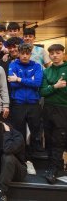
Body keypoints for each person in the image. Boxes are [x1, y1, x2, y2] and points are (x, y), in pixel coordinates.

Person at [8, 43, 43, 155]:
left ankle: (33, 156)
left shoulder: (37, 66)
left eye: (27, 54)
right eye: (22, 53)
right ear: (18, 53)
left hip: (33, 103)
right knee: (19, 131)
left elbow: (37, 83)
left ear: (30, 54)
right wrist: (29, 80)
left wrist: (18, 79)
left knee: (35, 129)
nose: (24, 56)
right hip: (18, 103)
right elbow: (12, 85)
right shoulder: (13, 65)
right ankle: (21, 155)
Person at [39, 44, 67, 184]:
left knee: (59, 139)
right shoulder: (46, 71)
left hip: (63, 109)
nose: (55, 55)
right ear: (49, 55)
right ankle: (52, 166)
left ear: (63, 53)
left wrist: (51, 88)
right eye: (52, 53)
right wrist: (55, 86)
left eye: (58, 52)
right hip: (48, 108)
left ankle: (53, 170)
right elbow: (42, 92)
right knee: (49, 139)